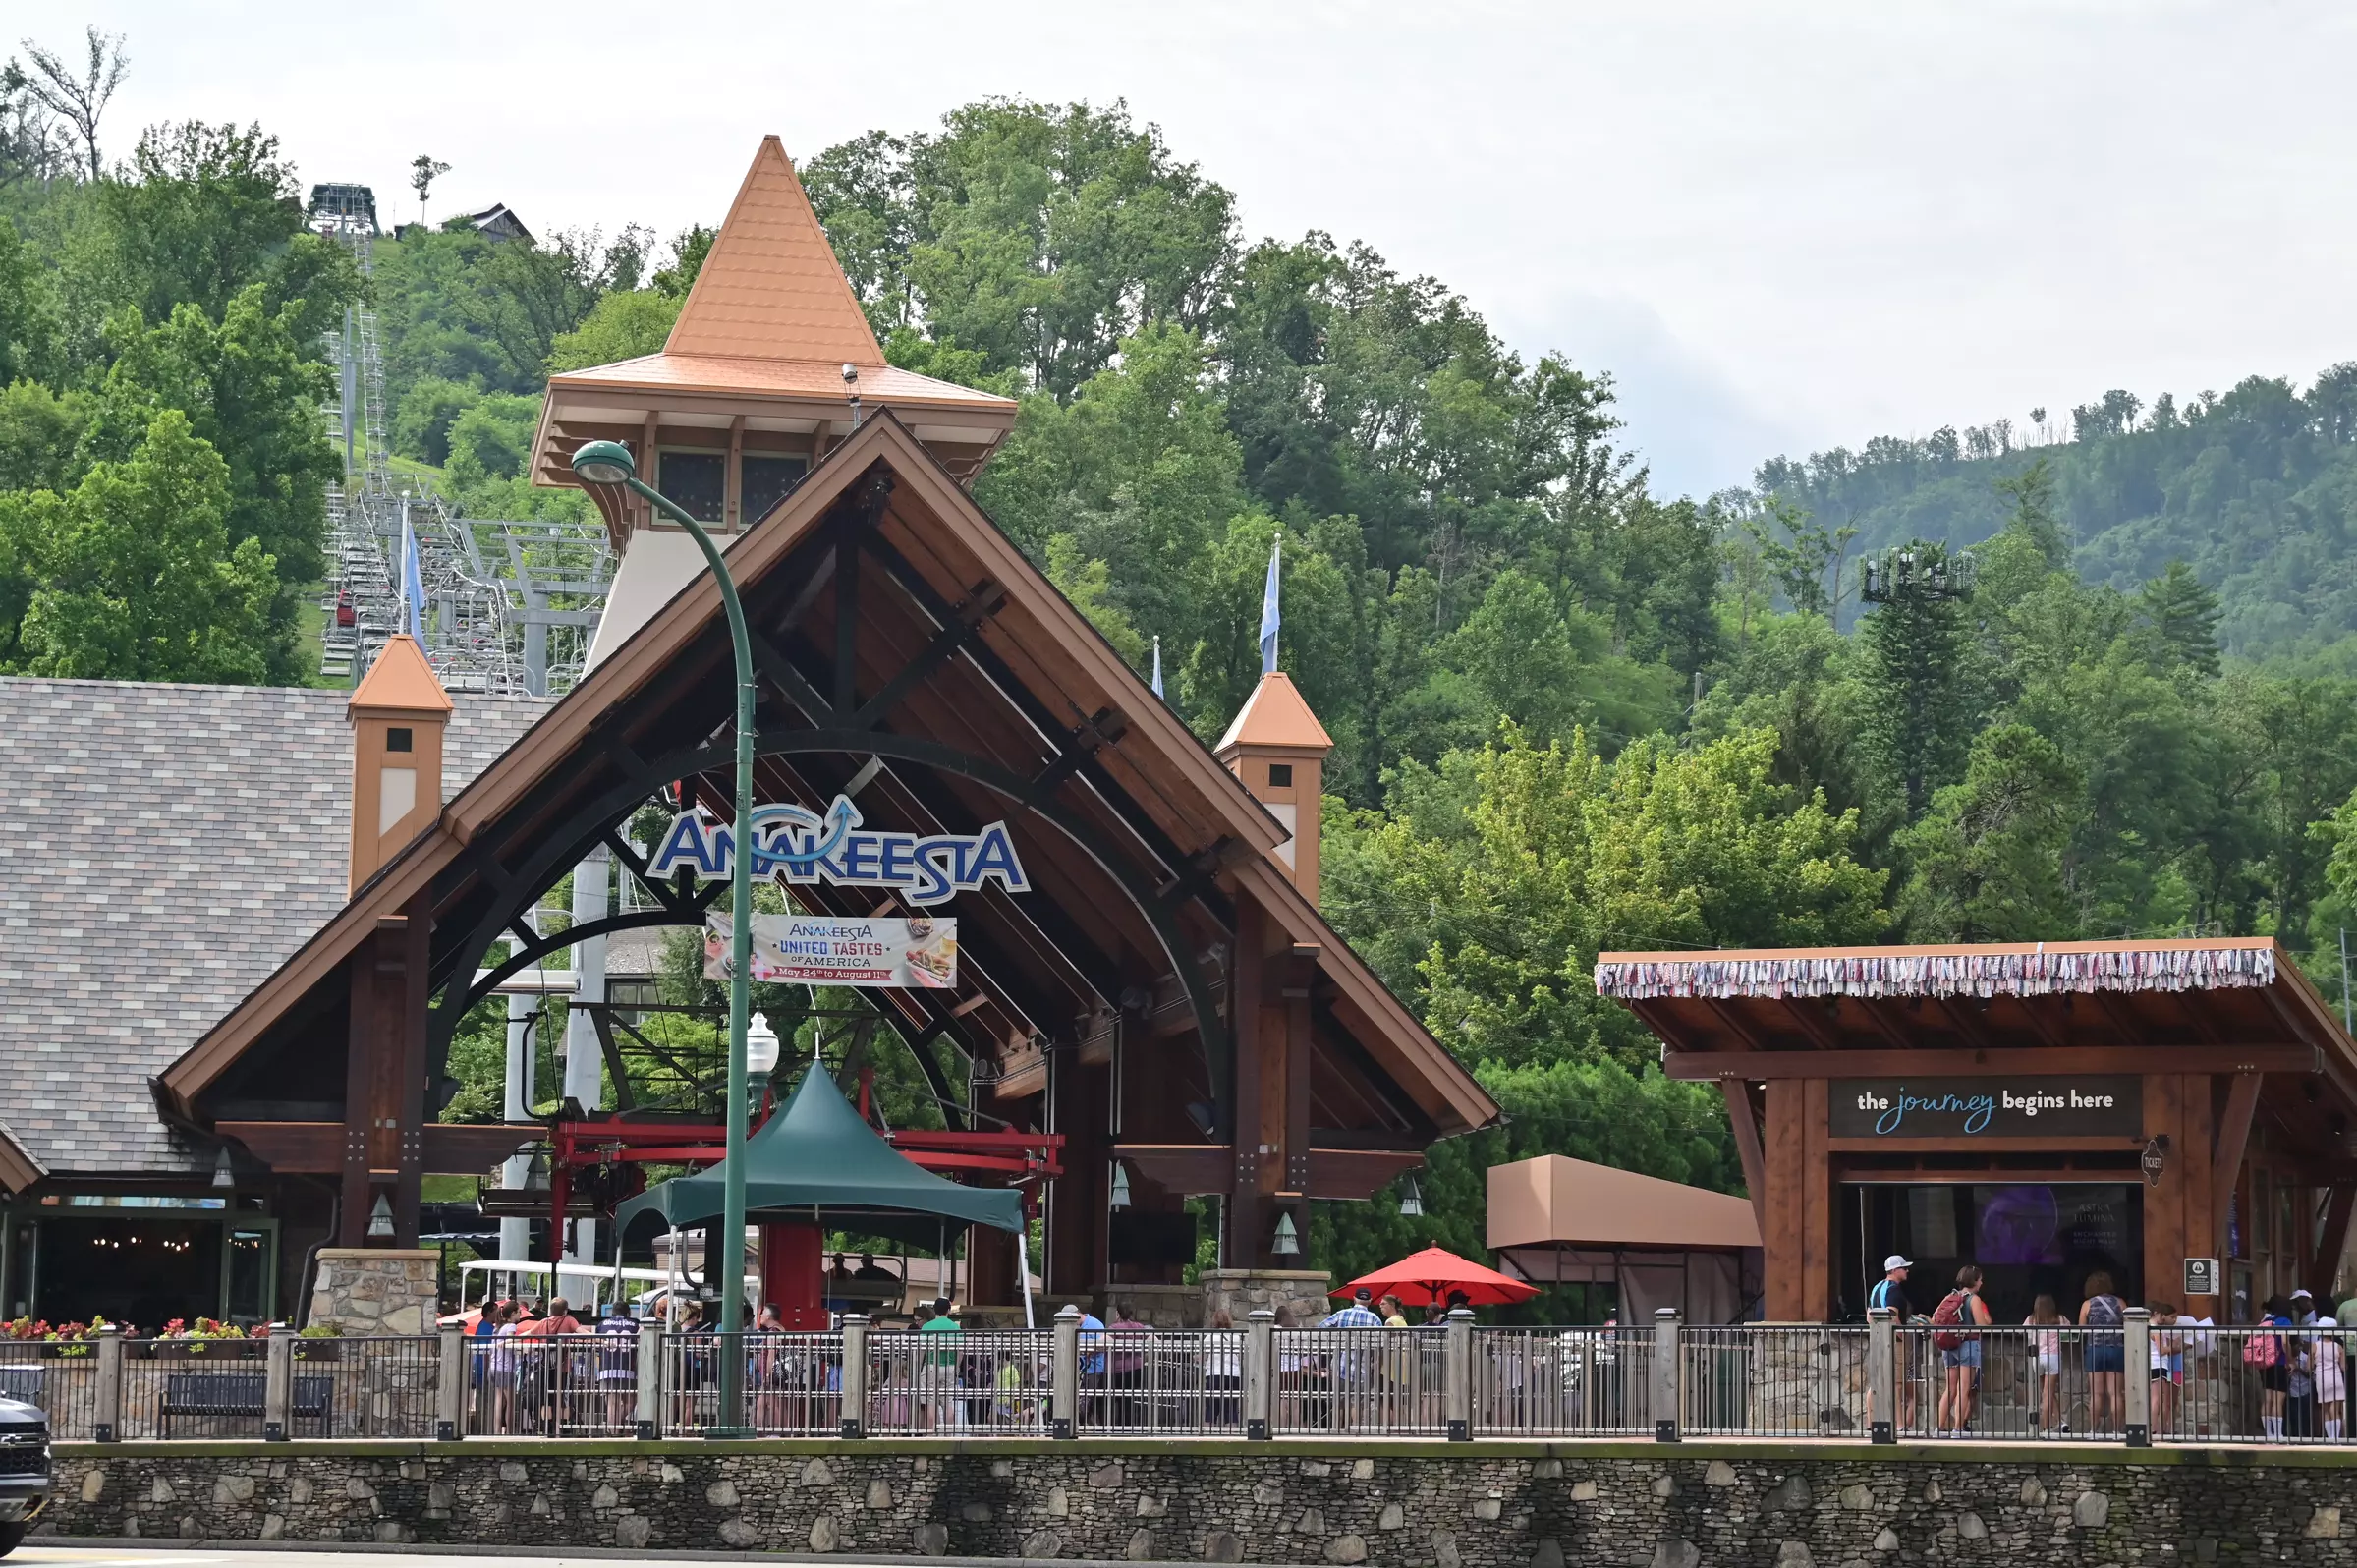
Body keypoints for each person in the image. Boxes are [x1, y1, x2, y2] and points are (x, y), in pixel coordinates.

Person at [1932, 1265, 1992, 1437]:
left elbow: (1936, 1318)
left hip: (1949, 1345)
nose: (1981, 1282)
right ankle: (1958, 1428)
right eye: (1980, 1279)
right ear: (1974, 1281)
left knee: (1950, 1388)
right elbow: (1981, 1325)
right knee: (1964, 1388)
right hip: (1968, 1344)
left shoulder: (1949, 1296)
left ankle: (1940, 1428)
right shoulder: (1973, 1299)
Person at [1869, 1256, 1919, 1433]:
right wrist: (1901, 1336)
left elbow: (1869, 1316)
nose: (1907, 1271)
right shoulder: (1894, 1290)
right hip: (1894, 1341)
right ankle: (1899, 1425)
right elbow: (1893, 1315)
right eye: (1904, 1268)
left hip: (1878, 1338)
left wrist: (1876, 1333)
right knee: (1897, 1383)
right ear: (1895, 1270)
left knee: (1877, 1382)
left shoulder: (1876, 1288)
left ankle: (1872, 1424)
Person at [2080, 1271, 2127, 1436]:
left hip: (2096, 1349)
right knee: (2115, 1393)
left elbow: (2082, 1329)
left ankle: (2093, 1430)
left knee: (2096, 1393)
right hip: (2116, 1348)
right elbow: (2129, 1326)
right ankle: (2117, 1431)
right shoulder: (2120, 1303)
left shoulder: (2087, 1304)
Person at [2025, 1293, 2067, 1437]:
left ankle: (2061, 1422)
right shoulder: (2059, 1319)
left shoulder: (2031, 1320)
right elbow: (2070, 1333)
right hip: (2053, 1356)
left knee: (2045, 1392)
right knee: (2047, 1393)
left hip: (2037, 1357)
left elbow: (2024, 1333)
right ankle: (2045, 1429)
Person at [2253, 1294, 2294, 1439]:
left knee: (2267, 1399)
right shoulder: (2284, 1321)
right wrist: (2290, 1360)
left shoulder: (2266, 1320)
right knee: (2278, 1400)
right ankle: (2278, 1434)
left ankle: (2268, 1434)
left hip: (2265, 1364)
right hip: (2279, 1362)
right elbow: (2284, 1342)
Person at [918, 1298, 962, 1432]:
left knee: (931, 1401)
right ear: (948, 1310)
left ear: (934, 1310)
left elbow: (921, 1350)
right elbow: (960, 1350)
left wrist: (919, 1367)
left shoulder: (927, 1327)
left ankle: (931, 1435)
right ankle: (949, 1436)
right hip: (949, 1366)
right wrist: (957, 1367)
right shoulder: (955, 1327)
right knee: (948, 1402)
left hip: (931, 1365)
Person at [2148, 1302, 2185, 1439]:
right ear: (2156, 1313)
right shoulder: (2155, 1329)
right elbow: (2161, 1350)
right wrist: (2176, 1347)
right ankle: (2155, 1430)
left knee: (2156, 1398)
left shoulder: (2149, 1328)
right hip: (2158, 1365)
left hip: (2154, 1365)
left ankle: (2155, 1429)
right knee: (2157, 1399)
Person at [1204, 1307, 1243, 1428]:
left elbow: (1204, 1354)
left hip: (1214, 1373)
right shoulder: (1235, 1337)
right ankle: (1232, 1437)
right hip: (1232, 1374)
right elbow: (1240, 1354)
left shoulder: (1210, 1337)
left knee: (1211, 1409)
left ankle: (1208, 1438)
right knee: (1231, 1409)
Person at [2289, 1288, 2321, 1438]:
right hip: (2300, 1366)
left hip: (2308, 1366)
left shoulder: (2313, 1323)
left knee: (2309, 1405)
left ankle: (2310, 1435)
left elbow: (2310, 1347)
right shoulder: (2304, 1320)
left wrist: (2301, 1345)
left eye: (2297, 1303)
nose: (2296, 1307)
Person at [2317, 1316, 2347, 1441]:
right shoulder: (2338, 1347)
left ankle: (2329, 1438)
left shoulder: (2315, 1346)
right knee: (2336, 1409)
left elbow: (2309, 1366)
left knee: (2325, 1410)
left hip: (2322, 1379)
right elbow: (2344, 1367)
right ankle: (2336, 1438)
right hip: (2336, 1378)